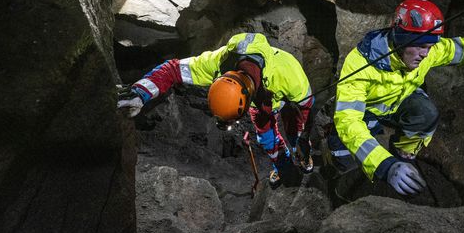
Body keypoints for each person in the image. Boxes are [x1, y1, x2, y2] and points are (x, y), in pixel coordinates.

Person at [329, 0, 464, 196]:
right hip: (367, 110)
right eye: (421, 47)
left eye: (430, 46)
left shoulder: (428, 50)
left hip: (399, 101)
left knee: (426, 113)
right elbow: (349, 121)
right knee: (344, 150)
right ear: (401, 40)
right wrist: (384, 165)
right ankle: (339, 185)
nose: (426, 54)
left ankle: (403, 153)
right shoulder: (360, 64)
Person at [117, 32, 315, 187]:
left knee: (296, 132)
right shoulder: (218, 64)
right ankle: (281, 165)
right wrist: (140, 92)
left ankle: (303, 157)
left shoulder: (289, 73)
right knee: (266, 139)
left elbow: (306, 107)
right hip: (260, 103)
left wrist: (303, 138)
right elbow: (174, 69)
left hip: (285, 100)